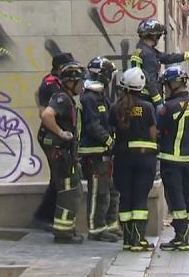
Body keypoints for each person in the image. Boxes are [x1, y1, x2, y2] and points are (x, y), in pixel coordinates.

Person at [110, 67, 157, 252]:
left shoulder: (115, 107)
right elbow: (153, 133)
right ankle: (138, 240)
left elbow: (112, 131)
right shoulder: (147, 107)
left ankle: (128, 240)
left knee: (126, 198)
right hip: (145, 159)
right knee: (140, 199)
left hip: (122, 158)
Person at [37, 61, 86, 243]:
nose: (81, 86)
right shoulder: (62, 98)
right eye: (79, 82)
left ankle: (67, 229)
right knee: (67, 191)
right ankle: (63, 233)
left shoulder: (67, 98)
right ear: (70, 81)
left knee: (73, 189)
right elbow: (46, 115)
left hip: (67, 153)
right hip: (61, 154)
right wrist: (60, 133)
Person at [156, 66, 189, 251]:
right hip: (188, 161)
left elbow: (158, 131)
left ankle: (180, 236)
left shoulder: (169, 108)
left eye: (166, 85)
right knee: (188, 195)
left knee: (176, 199)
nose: (165, 89)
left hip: (171, 160)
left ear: (174, 84)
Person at [32, 52, 75, 231]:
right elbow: (46, 114)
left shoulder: (49, 80)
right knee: (58, 178)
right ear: (60, 68)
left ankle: (45, 216)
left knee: (57, 177)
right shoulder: (53, 84)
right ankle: (43, 216)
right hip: (52, 137)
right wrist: (60, 132)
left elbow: (37, 98)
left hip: (51, 136)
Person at [79, 57, 119, 242]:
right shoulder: (89, 98)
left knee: (110, 190)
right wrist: (110, 141)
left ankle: (110, 224)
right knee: (98, 192)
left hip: (104, 153)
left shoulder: (100, 96)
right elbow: (92, 126)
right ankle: (96, 229)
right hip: (94, 153)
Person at [129, 19, 189, 105]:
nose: (158, 39)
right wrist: (158, 100)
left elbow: (167, 58)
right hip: (148, 98)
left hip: (142, 97)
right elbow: (149, 80)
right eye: (158, 36)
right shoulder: (147, 54)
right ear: (152, 36)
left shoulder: (144, 50)